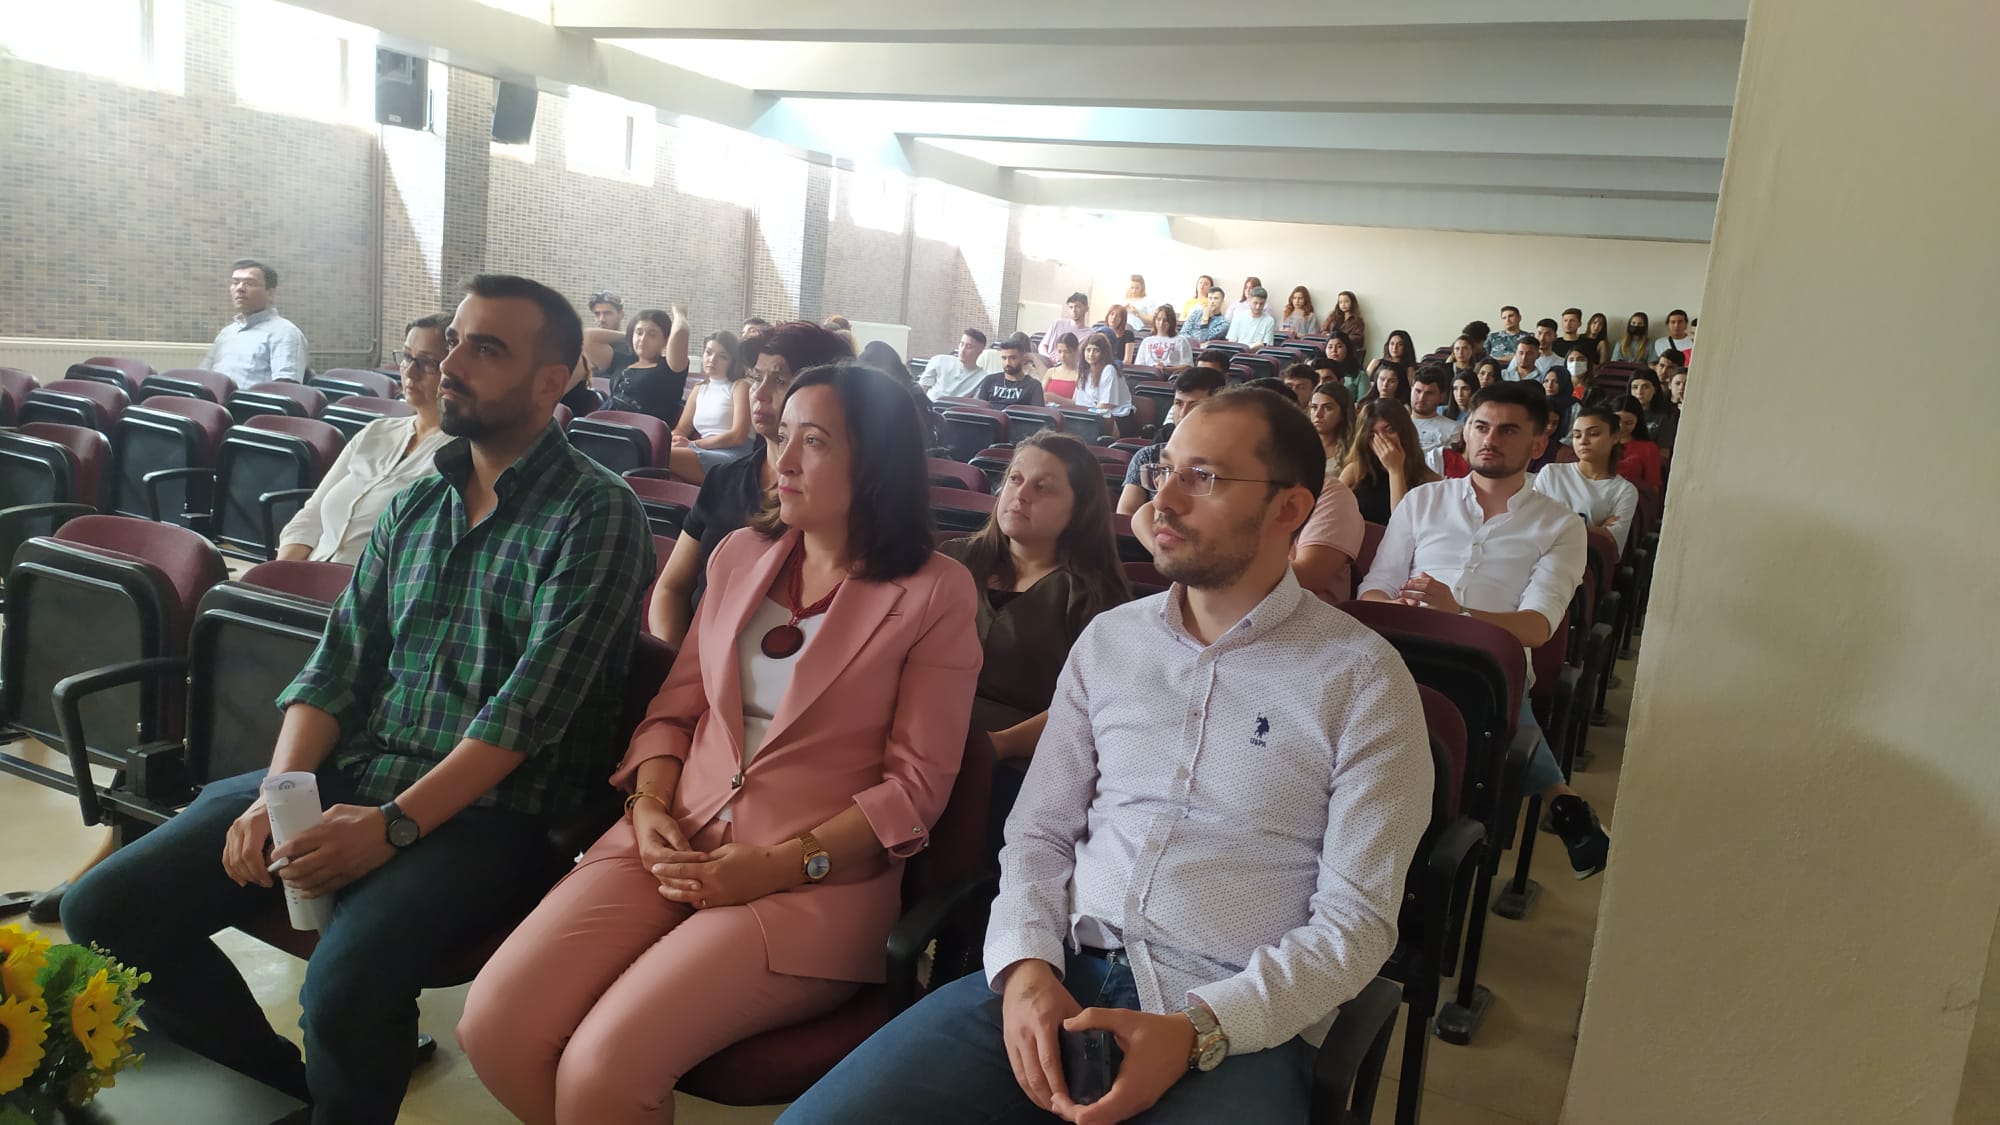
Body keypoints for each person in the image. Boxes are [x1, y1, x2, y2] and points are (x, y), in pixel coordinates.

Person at [63, 275, 654, 1125]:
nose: (452, 363)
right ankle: (290, 1097)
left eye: (486, 348)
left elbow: (526, 711)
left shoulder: (597, 512)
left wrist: (392, 826)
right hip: (358, 769)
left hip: (496, 813)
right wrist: (279, 793)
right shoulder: (420, 499)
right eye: (456, 339)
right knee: (105, 909)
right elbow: (337, 663)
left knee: (346, 981)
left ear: (550, 382)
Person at [781, 388, 1431, 1125]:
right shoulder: (1112, 642)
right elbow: (1039, 832)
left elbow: (1355, 922)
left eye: (1204, 478)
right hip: (1059, 972)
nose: (1164, 501)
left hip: (1231, 1022)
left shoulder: (1362, 680)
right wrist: (1026, 966)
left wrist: (1201, 1030)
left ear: (1289, 509)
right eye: (1165, 471)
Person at [461, 363, 980, 1125]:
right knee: (495, 1025)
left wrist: (780, 863)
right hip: (673, 837)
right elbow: (674, 713)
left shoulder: (935, 591)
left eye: (815, 441)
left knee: (603, 1070)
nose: (783, 459)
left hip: (811, 883)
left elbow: (914, 790)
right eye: (781, 436)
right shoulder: (740, 553)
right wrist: (647, 805)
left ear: (876, 462)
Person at [1358, 380, 1610, 878]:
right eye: (1481, 426)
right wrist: (1398, 612)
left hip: (1487, 666)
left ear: (1538, 444)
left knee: (1475, 674)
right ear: (1467, 432)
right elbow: (1374, 589)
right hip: (1402, 644)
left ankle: (1437, 854)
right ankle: (1560, 797)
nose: (1490, 439)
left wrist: (1458, 614)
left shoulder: (1560, 526)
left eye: (1508, 430)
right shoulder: (1423, 501)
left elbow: (1536, 627)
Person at [938, 432, 1130, 849]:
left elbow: (1090, 707)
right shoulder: (952, 561)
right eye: (1015, 479)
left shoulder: (1095, 596)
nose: (1020, 494)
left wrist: (997, 746)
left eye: (1042, 487)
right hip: (922, 736)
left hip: (1021, 760)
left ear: (1079, 509)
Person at [647, 322, 854, 646]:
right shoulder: (723, 480)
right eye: (757, 377)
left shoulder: (833, 500)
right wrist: (674, 660)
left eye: (781, 381)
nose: (759, 393)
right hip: (696, 657)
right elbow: (672, 588)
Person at [277, 314, 452, 564]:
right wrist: (283, 573)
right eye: (406, 357)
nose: (410, 372)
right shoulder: (376, 432)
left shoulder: (458, 454)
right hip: (311, 572)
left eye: (426, 362)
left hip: (368, 586)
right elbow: (311, 516)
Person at [1116, 366, 1228, 513]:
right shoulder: (1148, 456)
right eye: (1178, 403)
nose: (1183, 413)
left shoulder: (1225, 463)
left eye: (1195, 406)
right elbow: (1126, 513)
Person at [1534, 406, 1640, 553]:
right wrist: (1592, 528)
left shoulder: (1624, 491)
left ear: (1615, 437)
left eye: (1593, 434)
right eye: (1577, 435)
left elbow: (1608, 542)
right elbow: (1531, 520)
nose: (1583, 441)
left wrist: (1553, 522)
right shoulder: (1551, 473)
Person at [660, 330, 755, 483]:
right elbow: (682, 429)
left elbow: (738, 436)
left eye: (722, 356)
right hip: (704, 449)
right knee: (658, 456)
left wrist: (692, 444)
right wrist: (670, 440)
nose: (712, 360)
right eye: (708, 352)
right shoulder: (700, 388)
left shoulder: (741, 386)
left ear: (733, 361)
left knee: (660, 456)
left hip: (735, 455)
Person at [202, 258, 308, 387]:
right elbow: (203, 377)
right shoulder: (227, 333)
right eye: (235, 282)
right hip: (216, 399)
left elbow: (285, 389)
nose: (240, 288)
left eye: (249, 283)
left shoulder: (285, 333)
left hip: (249, 400)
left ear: (270, 293)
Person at [1340, 399, 1441, 523]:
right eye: (1372, 435)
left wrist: (1395, 470)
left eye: (1389, 430)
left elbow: (1401, 525)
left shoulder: (1430, 481)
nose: (1382, 439)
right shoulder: (1355, 472)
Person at [603, 307, 692, 424]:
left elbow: (680, 332)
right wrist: (629, 335)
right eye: (639, 333)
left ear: (666, 340)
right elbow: (589, 337)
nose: (643, 339)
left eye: (652, 334)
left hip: (640, 430)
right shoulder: (624, 361)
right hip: (605, 423)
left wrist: (679, 313)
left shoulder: (670, 368)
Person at [1609, 395, 1664, 495]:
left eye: (1628, 423)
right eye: (1616, 422)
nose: (1621, 427)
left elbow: (1653, 488)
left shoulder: (1648, 448)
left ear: (1637, 422)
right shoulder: (1601, 442)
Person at [919, 328, 992, 401]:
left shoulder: (983, 378)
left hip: (957, 408)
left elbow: (976, 403)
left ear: (980, 351)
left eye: (969, 347)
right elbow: (922, 390)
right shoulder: (939, 360)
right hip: (929, 405)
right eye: (961, 344)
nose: (962, 350)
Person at [1068, 333, 1130, 415]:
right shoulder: (1085, 370)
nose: (1091, 354)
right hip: (1089, 414)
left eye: (1096, 350)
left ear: (1103, 353)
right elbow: (1076, 401)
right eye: (1088, 350)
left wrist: (1084, 415)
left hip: (1112, 416)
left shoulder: (1109, 370)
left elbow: (1106, 405)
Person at [975, 336, 1046, 407]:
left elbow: (1037, 413)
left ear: (1023, 358)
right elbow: (980, 409)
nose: (1007, 363)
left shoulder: (1033, 386)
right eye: (1004, 358)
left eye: (1013, 358)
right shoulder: (990, 380)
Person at [1408, 366, 1462, 453]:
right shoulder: (1395, 425)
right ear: (1411, 390)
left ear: (1441, 397)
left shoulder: (1454, 429)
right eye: (1418, 391)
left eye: (1429, 393)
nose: (1421, 398)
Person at [1309, 381, 1356, 476]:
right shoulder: (1299, 444)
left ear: (1343, 414)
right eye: (1314, 407)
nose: (1318, 414)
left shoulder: (1352, 450)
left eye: (1327, 408)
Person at [1629, 368, 1679, 455]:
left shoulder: (1665, 416)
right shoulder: (1622, 412)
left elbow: (1664, 453)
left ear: (1655, 389)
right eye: (1635, 387)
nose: (1639, 392)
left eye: (1645, 387)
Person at [1135, 305, 1192, 370]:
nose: (1161, 323)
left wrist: (1166, 369)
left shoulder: (1181, 340)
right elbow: (1139, 365)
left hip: (1171, 374)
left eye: (1165, 321)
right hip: (1150, 373)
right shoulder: (1146, 341)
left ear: (1171, 322)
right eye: (1158, 319)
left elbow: (1188, 366)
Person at [1040, 293, 1090, 365]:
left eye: (1078, 307)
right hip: (1047, 363)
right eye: (1071, 307)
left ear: (1086, 309)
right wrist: (1048, 358)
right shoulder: (1057, 323)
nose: (1074, 310)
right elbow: (1042, 346)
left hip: (1070, 367)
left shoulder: (1090, 334)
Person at [1541, 364, 1580, 441]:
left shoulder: (1574, 406)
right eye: (1546, 381)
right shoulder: (1537, 402)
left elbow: (1573, 434)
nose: (1549, 385)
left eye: (1555, 382)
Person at [1042, 332, 1083, 402]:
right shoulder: (1051, 372)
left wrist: (1057, 399)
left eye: (1067, 352)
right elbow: (1039, 395)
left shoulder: (1080, 375)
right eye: (1060, 352)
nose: (1062, 356)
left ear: (1075, 351)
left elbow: (1078, 402)